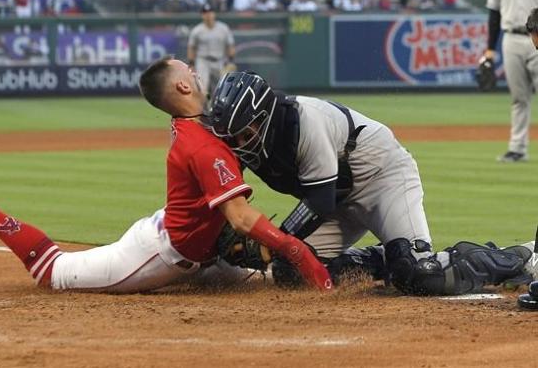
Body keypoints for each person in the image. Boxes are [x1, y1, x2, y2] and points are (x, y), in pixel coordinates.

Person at [0, 57, 332, 294]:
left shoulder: (212, 124)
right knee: (53, 273)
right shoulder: (201, 143)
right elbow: (240, 218)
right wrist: (298, 250)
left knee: (271, 279)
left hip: (198, 250)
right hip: (161, 251)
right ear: (182, 89)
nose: (193, 69)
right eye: (185, 68)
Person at [204, 70, 536, 295]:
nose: (238, 144)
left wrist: (271, 241)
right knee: (291, 272)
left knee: (421, 275)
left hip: (382, 177)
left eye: (244, 134)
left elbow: (318, 200)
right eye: (230, 138)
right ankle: (383, 259)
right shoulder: (243, 141)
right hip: (336, 199)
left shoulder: (304, 121)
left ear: (264, 117)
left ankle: (519, 257)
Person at [484, 0, 538, 162]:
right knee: (519, 97)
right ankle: (517, 148)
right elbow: (494, 15)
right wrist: (489, 49)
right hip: (511, 39)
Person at [187, 3, 236, 97]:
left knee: (222, 89)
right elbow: (191, 47)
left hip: (219, 61)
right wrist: (192, 64)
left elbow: (230, 45)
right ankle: (202, 110)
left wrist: (231, 61)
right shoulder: (197, 30)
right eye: (205, 12)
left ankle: (216, 110)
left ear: (214, 14)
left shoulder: (223, 28)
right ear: (202, 15)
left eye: (210, 12)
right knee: (202, 87)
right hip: (203, 61)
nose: (208, 15)